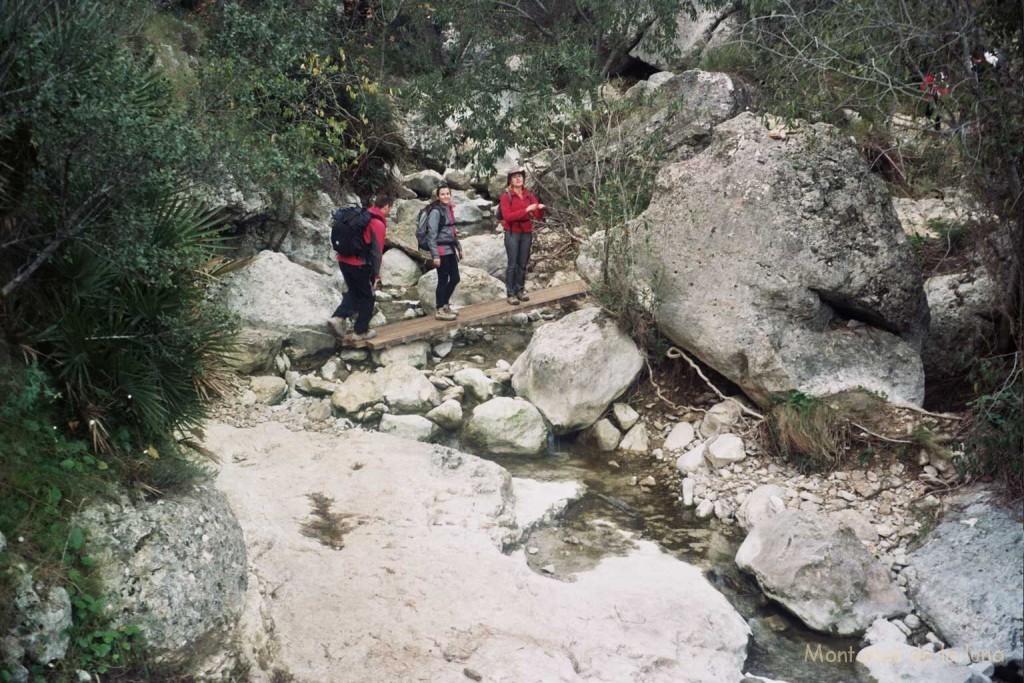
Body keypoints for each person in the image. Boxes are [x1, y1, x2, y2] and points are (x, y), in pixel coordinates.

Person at [326, 193, 393, 342]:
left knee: (355, 292)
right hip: (360, 264)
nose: (390, 212)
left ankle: (338, 318)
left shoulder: (362, 215)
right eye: (390, 209)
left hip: (343, 260)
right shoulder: (377, 223)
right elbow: (377, 252)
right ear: (387, 206)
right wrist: (376, 275)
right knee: (368, 296)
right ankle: (360, 331)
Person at [499, 167, 545, 305]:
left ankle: (520, 290)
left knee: (523, 263)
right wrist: (526, 210)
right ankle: (511, 293)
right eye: (515, 177)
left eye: (520, 176)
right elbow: (507, 217)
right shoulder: (506, 197)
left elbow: (537, 216)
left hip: (526, 232)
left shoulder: (529, 195)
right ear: (510, 181)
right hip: (512, 232)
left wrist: (541, 210)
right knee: (512, 264)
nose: (518, 178)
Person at [424, 185, 463, 321]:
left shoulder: (448, 208)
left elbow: (452, 231)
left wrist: (459, 248)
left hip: (450, 249)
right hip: (441, 251)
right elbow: (431, 235)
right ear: (438, 196)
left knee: (455, 278)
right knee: (442, 280)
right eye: (443, 194)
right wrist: (435, 255)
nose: (445, 196)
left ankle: (445, 304)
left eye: (447, 193)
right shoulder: (436, 212)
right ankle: (440, 309)